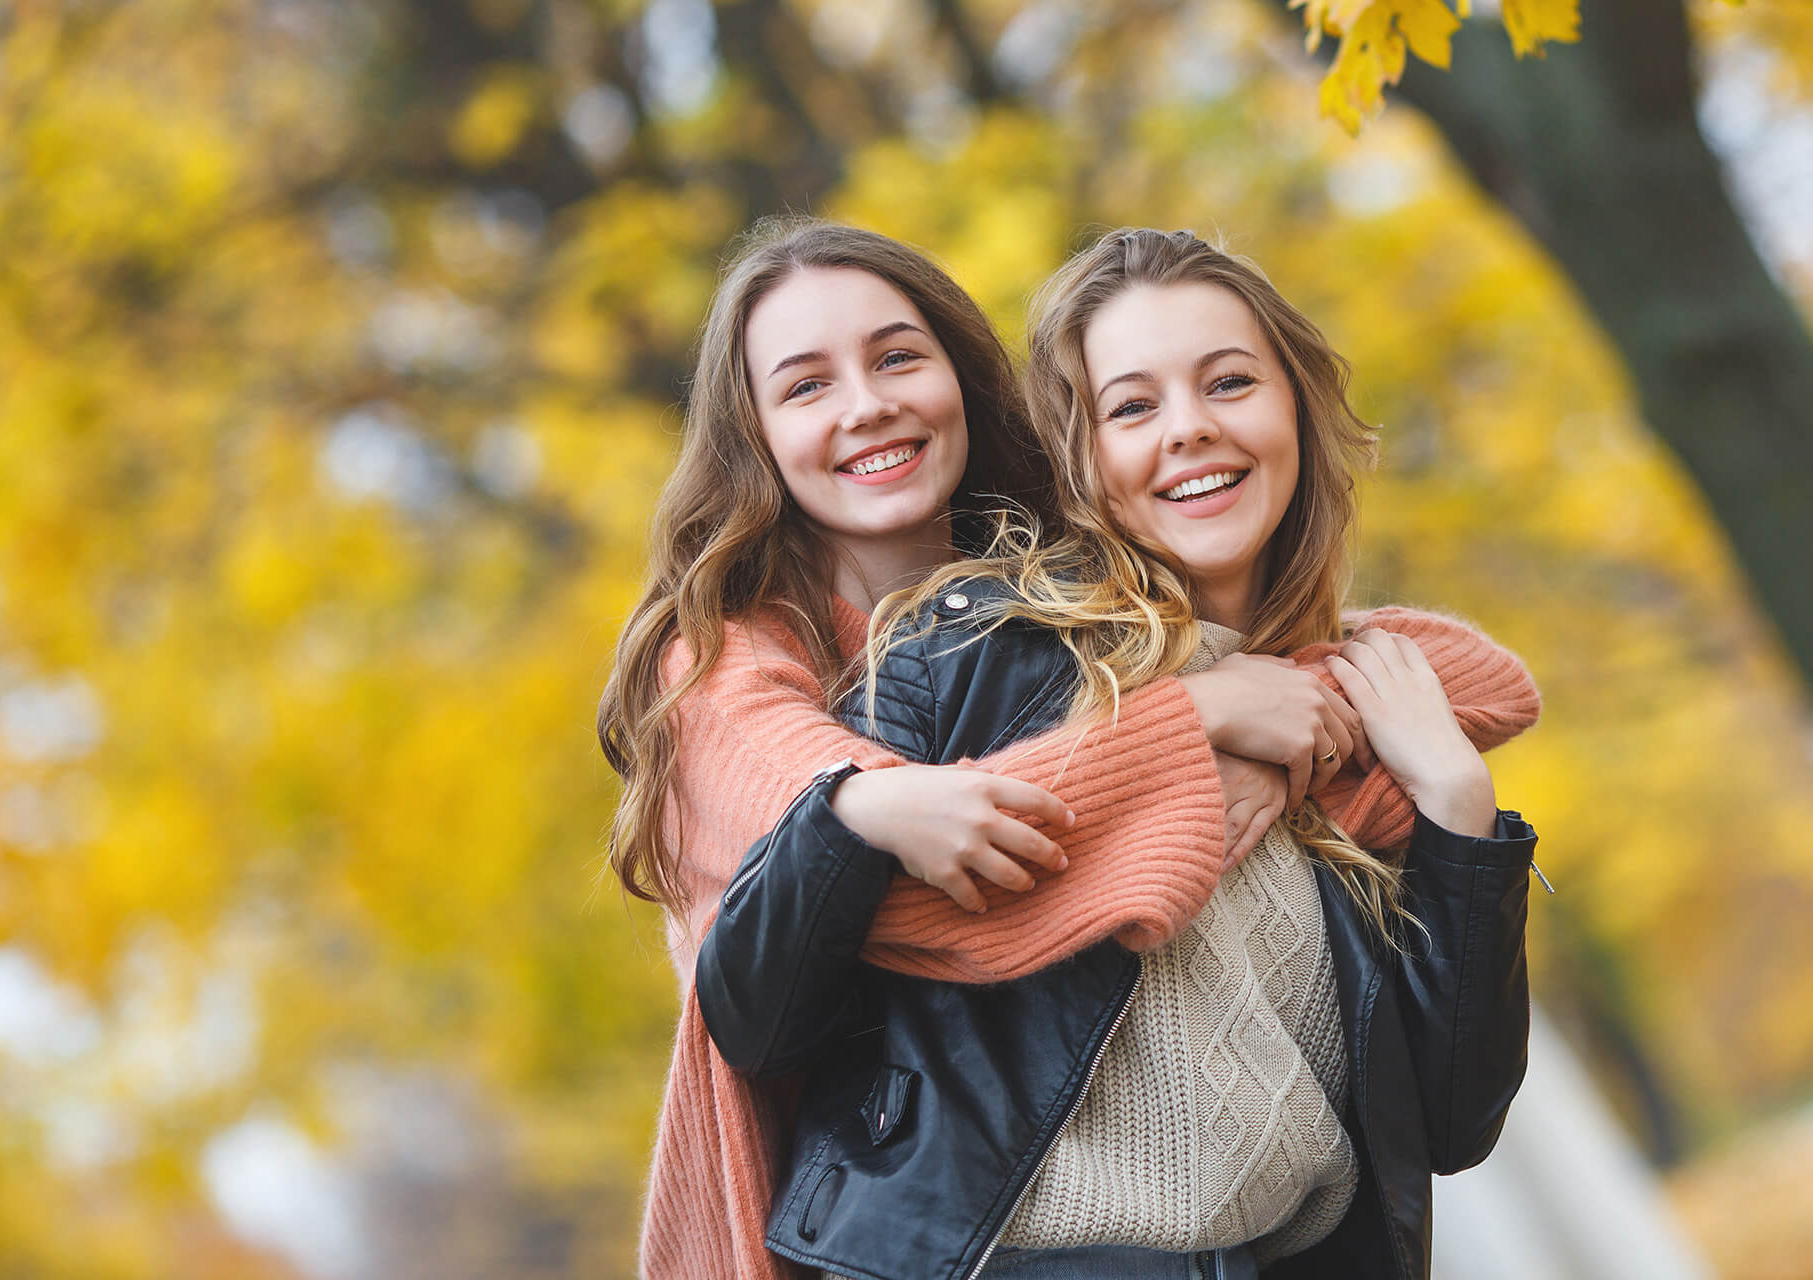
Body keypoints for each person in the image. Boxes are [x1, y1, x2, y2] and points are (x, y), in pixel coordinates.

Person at [598, 217, 1540, 1279]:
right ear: (1082, 448)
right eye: (1134, 405)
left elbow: (1449, 1119)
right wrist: (1187, 731)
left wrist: (1449, 795)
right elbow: (773, 975)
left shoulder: (1335, 718)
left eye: (1230, 383)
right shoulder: (927, 655)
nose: (1187, 430)